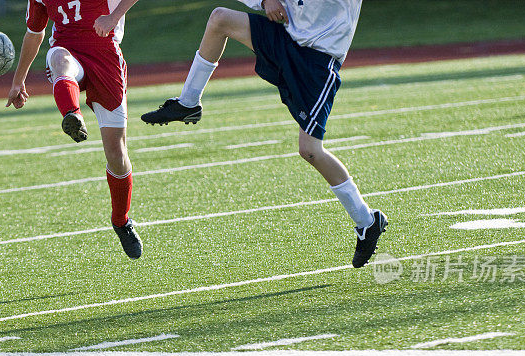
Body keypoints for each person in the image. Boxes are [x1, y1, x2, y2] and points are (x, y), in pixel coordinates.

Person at [141, 0, 387, 268]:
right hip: (287, 39)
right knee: (220, 18)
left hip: (318, 60)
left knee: (310, 150)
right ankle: (188, 103)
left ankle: (367, 221)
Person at [7, 0, 143, 259]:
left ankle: (121, 220)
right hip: (67, 50)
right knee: (59, 58)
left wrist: (114, 16)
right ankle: (72, 114)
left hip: (105, 57)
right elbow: (35, 33)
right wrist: (18, 80)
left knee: (117, 154)